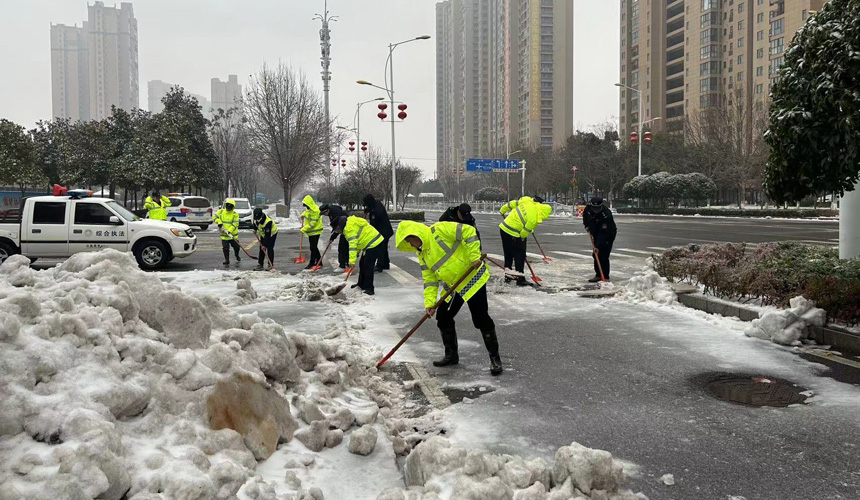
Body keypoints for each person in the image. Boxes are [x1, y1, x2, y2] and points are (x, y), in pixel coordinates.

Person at [395, 220, 502, 375]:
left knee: (480, 318)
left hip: (472, 278)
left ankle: (495, 358)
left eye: (411, 241)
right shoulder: (422, 253)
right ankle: (451, 355)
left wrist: (474, 256)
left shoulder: (439, 230)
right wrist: (430, 303)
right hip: (453, 286)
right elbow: (430, 279)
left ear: (415, 234)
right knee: (443, 317)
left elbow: (468, 231)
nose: (412, 246)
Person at [498, 196, 553, 285]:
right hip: (513, 232)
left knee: (508, 253)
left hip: (504, 228)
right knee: (519, 255)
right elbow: (524, 233)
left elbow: (511, 204)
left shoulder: (526, 202)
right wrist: (521, 240)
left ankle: (508, 276)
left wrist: (502, 210)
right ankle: (520, 278)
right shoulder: (534, 218)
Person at [336, 215, 384, 295]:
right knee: (362, 264)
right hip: (369, 244)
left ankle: (369, 289)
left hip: (374, 243)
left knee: (368, 266)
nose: (339, 232)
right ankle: (361, 284)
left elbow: (352, 246)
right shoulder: (350, 225)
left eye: (338, 230)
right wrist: (357, 253)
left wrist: (351, 262)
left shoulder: (349, 229)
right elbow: (358, 241)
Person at [583, 197, 617, 282]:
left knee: (603, 254)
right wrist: (586, 226)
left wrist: (597, 246)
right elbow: (585, 216)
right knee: (596, 255)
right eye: (595, 208)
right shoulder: (588, 209)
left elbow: (604, 234)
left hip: (608, 234)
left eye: (598, 208)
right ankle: (598, 274)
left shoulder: (606, 214)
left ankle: (605, 276)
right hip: (595, 232)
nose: (596, 210)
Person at [363, 194, 394, 273]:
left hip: (384, 231)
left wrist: (370, 210)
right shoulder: (373, 206)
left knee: (381, 248)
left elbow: (378, 215)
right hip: (381, 231)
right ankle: (386, 264)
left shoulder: (377, 205)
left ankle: (380, 265)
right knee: (384, 248)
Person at [320, 203, 349, 269]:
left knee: (343, 247)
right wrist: (332, 238)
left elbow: (337, 227)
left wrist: (333, 237)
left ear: (327, 210)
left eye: (324, 214)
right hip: (344, 228)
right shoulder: (331, 212)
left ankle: (344, 265)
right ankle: (344, 264)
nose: (324, 215)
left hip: (347, 228)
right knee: (342, 247)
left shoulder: (335, 213)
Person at [214, 199, 241, 266]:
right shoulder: (220, 212)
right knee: (225, 248)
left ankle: (237, 255)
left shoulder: (235, 214)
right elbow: (214, 217)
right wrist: (219, 222)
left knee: (236, 247)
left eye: (230, 206)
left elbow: (235, 224)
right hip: (224, 235)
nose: (229, 208)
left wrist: (229, 231)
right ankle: (227, 260)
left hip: (233, 235)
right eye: (227, 206)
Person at [300, 195, 323, 269]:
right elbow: (307, 213)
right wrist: (303, 214)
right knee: (313, 247)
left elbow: (312, 223)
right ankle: (319, 262)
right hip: (311, 232)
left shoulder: (316, 211)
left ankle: (312, 262)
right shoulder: (310, 209)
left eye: (306, 205)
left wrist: (304, 229)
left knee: (313, 248)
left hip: (315, 231)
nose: (306, 207)